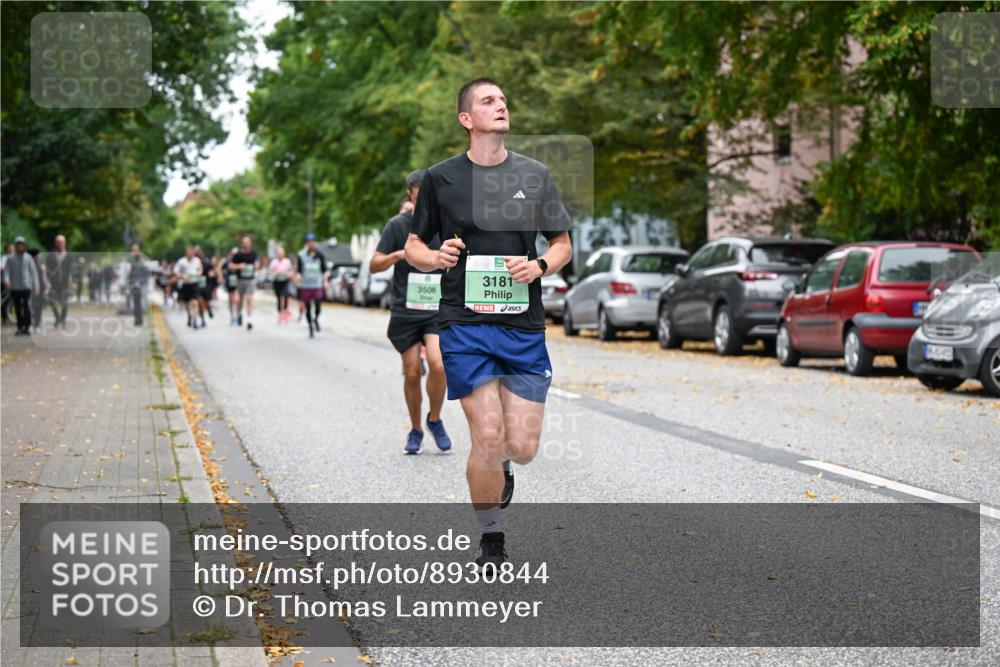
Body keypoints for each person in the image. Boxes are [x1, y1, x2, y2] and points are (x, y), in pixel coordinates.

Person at [405, 78, 573, 569]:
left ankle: (501, 467)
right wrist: (436, 257)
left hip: (523, 325)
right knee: (488, 435)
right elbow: (416, 245)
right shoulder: (441, 178)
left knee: (519, 448)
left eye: (503, 99)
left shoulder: (535, 174)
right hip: (463, 324)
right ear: (466, 119)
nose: (500, 105)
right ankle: (491, 537)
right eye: (488, 101)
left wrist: (539, 267)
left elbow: (561, 244)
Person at [371, 169, 452, 454]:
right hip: (406, 310)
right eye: (419, 199)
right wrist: (398, 255)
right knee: (412, 370)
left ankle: (435, 418)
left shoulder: (445, 224)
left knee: (440, 365)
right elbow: (374, 264)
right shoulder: (398, 226)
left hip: (436, 310)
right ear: (410, 196)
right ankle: (416, 428)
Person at [3, 237, 41, 335]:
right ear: (16, 246)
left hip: (26, 286)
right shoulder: (10, 258)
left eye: (21, 245)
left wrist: (36, 286)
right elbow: (6, 272)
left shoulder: (28, 258)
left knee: (27, 306)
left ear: (24, 246)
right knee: (18, 307)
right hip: (15, 287)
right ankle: (20, 327)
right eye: (18, 245)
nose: (20, 247)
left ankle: (27, 327)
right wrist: (6, 281)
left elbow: (33, 273)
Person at [294, 232, 328, 338]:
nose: (311, 244)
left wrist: (325, 281)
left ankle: (316, 319)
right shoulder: (301, 255)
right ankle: (310, 327)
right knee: (307, 308)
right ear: (306, 243)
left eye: (313, 242)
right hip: (305, 285)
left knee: (318, 305)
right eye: (309, 242)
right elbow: (298, 270)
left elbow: (324, 271)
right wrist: (298, 278)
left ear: (315, 243)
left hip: (316, 284)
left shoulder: (320, 255)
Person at [44, 234, 73, 328]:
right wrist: (47, 281)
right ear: (55, 243)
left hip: (65, 283)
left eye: (62, 242)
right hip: (53, 283)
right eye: (58, 242)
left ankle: (63, 320)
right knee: (52, 301)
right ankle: (57, 318)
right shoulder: (50, 255)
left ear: (65, 243)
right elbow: (47, 269)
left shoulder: (69, 255)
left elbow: (71, 269)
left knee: (64, 302)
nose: (60, 244)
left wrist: (72, 281)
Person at [230, 236, 258, 330]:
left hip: (250, 279)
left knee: (249, 299)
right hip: (240, 279)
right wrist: (239, 266)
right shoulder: (238, 255)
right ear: (242, 244)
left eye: (248, 242)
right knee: (240, 300)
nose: (246, 244)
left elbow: (257, 264)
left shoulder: (254, 254)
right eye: (244, 242)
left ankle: (249, 320)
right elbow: (230, 265)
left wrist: (256, 266)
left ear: (250, 243)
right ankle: (239, 314)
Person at [173, 246, 203, 329]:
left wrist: (198, 274)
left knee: (194, 302)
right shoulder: (181, 261)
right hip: (185, 284)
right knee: (187, 303)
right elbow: (176, 271)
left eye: (191, 252)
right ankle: (189, 315)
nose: (190, 254)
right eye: (188, 252)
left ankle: (195, 320)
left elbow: (200, 270)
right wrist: (182, 276)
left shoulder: (197, 260)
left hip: (194, 284)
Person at [127, 244, 150, 326]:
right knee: (137, 303)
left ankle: (138, 320)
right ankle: (138, 320)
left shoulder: (137, 261)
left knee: (138, 303)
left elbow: (145, 273)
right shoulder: (133, 260)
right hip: (136, 285)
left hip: (138, 285)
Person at [268, 247, 293, 323]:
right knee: (279, 298)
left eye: (281, 253)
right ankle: (280, 314)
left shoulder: (287, 261)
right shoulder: (274, 262)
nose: (280, 255)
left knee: (285, 296)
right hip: (277, 282)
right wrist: (274, 274)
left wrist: (289, 275)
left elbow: (290, 271)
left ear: (284, 254)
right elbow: (270, 271)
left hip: (285, 281)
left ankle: (285, 311)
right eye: (279, 253)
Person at [1, 243, 13, 325]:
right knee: (5, 301)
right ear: (7, 249)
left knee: (10, 301)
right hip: (4, 283)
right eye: (11, 248)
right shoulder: (4, 258)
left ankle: (7, 317)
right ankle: (5, 318)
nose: (13, 249)